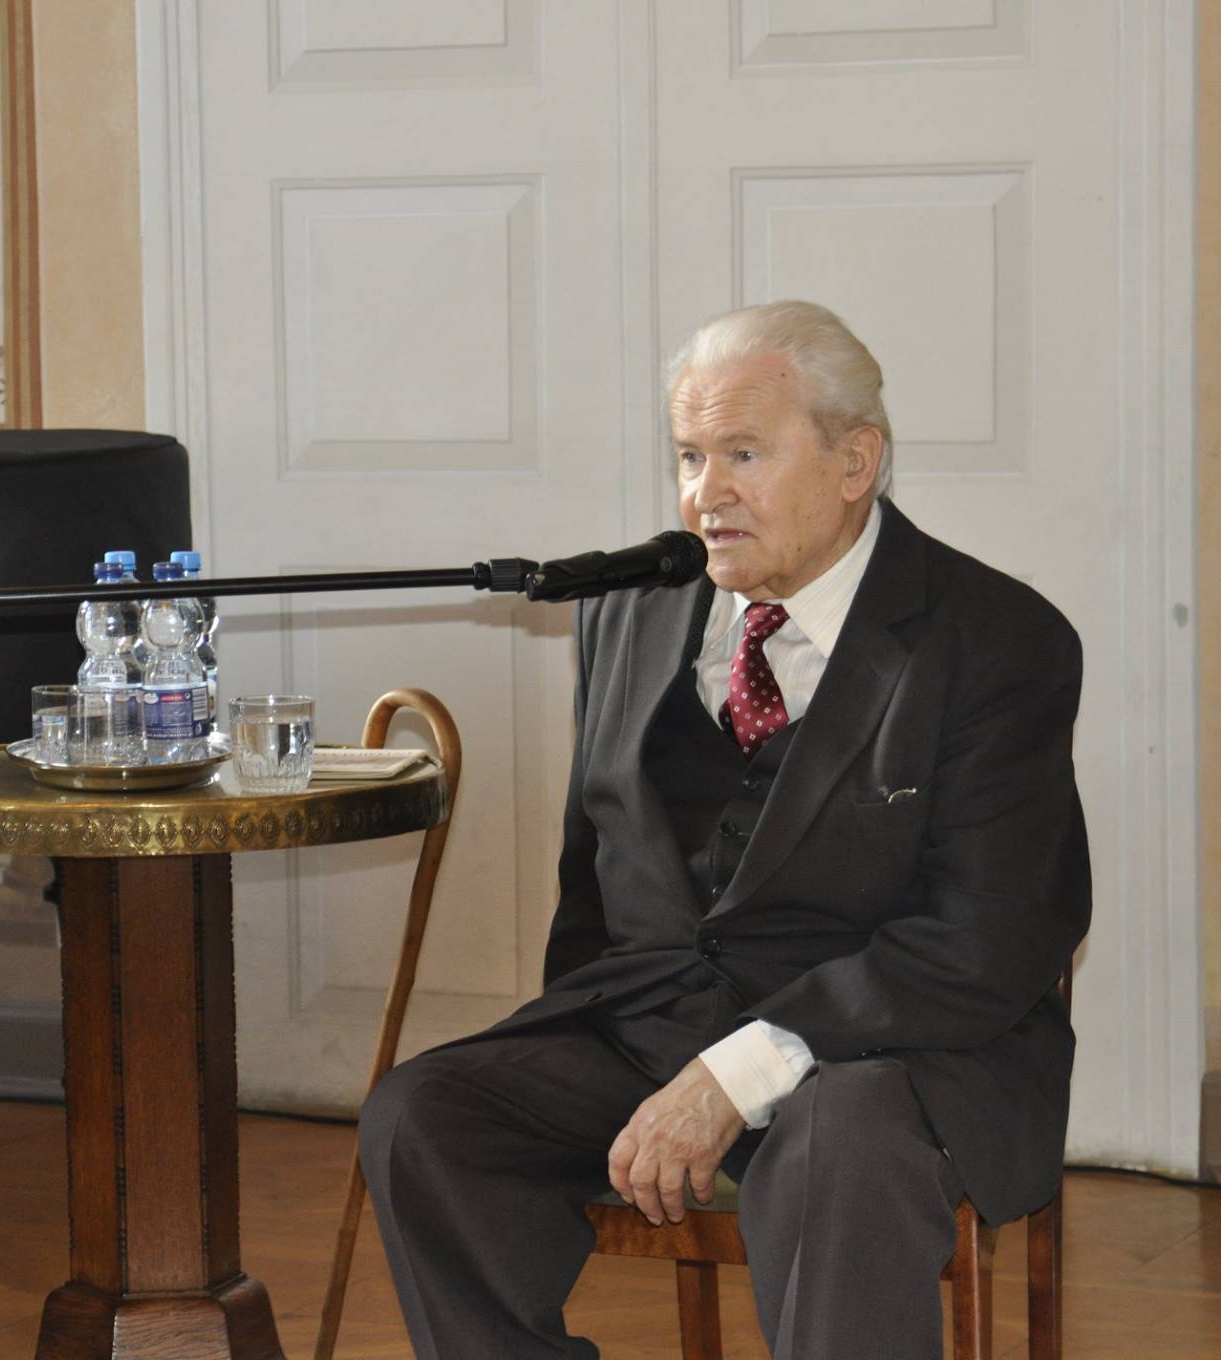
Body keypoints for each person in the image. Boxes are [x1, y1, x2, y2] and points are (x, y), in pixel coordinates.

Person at [358, 300, 1089, 1359]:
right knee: (424, 1119)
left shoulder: (993, 639)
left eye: (743, 453)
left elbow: (988, 938)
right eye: (688, 457)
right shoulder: (629, 610)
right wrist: (610, 1046)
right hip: (656, 1022)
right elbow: (592, 876)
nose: (705, 494)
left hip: (889, 1049)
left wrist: (737, 1072)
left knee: (834, 1149)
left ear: (855, 462)